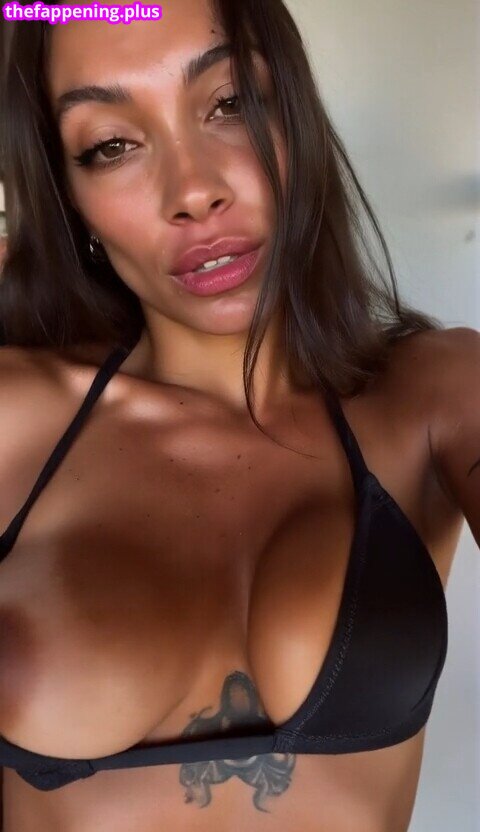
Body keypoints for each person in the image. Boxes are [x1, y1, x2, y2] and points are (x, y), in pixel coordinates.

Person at [0, 0, 478, 829]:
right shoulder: (16, 418)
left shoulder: (435, 395)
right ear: (66, 196)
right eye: (111, 146)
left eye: (230, 103)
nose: (193, 191)